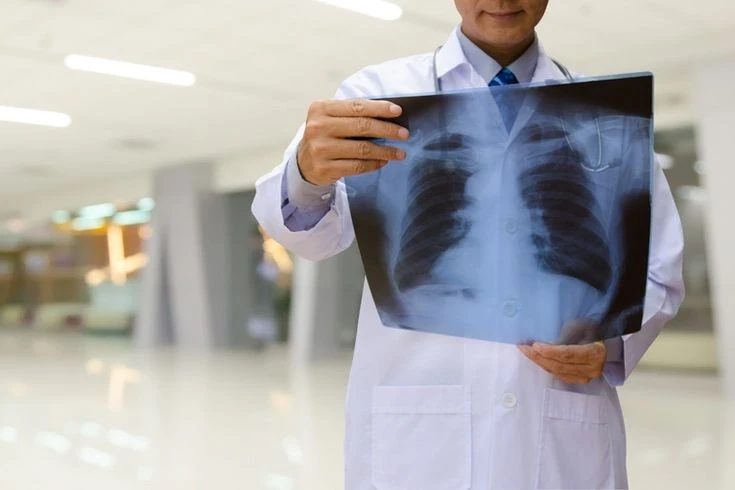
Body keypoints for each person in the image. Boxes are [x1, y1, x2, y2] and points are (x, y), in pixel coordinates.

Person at [251, 1, 684, 488]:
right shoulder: (376, 97)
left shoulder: (608, 117)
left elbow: (660, 272)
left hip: (559, 436)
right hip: (420, 442)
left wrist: (611, 345)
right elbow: (309, 237)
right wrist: (307, 175)